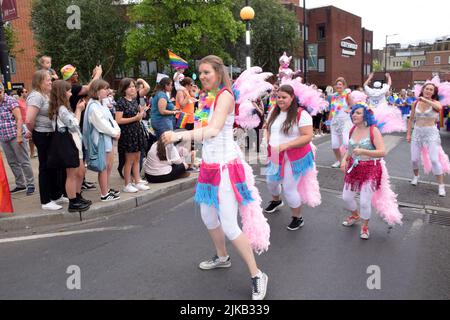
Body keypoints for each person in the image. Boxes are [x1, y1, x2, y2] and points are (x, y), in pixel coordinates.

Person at [162, 55, 269, 300]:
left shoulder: (226, 96)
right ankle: (222, 257)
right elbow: (206, 128)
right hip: (209, 166)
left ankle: (257, 274)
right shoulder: (207, 97)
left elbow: (212, 130)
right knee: (208, 216)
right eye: (200, 73)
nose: (202, 77)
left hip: (225, 167)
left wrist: (179, 135)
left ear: (219, 73)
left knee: (230, 225)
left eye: (207, 72)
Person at [341, 102, 402, 239]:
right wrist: (344, 160)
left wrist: (363, 151)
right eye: (353, 112)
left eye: (358, 113)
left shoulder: (373, 130)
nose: (354, 115)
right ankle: (355, 215)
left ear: (366, 116)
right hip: (354, 168)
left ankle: (365, 226)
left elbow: (382, 152)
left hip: (370, 168)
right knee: (346, 197)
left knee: (364, 201)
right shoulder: (353, 129)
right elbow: (349, 149)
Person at [264, 84, 321, 230]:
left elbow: (308, 136)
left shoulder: (301, 114)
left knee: (289, 188)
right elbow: (268, 128)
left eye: (284, 97)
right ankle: (276, 201)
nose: (280, 100)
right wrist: (268, 142)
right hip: (275, 154)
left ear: (292, 98)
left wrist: (286, 145)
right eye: (278, 97)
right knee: (270, 182)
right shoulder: (273, 112)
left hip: (294, 156)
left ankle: (297, 217)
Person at [26, 70, 67, 210]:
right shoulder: (36, 96)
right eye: (48, 80)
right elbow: (29, 119)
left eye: (50, 79)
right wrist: (31, 132)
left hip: (50, 134)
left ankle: (56, 195)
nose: (51, 82)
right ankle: (46, 201)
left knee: (54, 166)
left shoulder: (46, 94)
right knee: (45, 167)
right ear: (39, 82)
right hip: (42, 135)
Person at [48, 80, 91, 212]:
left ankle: (77, 196)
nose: (71, 93)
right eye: (68, 90)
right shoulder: (61, 109)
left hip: (73, 142)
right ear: (62, 93)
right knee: (72, 174)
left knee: (80, 171)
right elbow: (73, 125)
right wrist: (78, 110)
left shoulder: (62, 108)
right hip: (70, 143)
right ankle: (73, 201)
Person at [61, 64, 104, 191]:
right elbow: (90, 88)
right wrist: (97, 74)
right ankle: (76, 186)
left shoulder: (73, 87)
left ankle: (81, 181)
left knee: (82, 157)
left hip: (78, 123)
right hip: (75, 125)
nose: (77, 75)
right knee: (79, 157)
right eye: (74, 73)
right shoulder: (72, 88)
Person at [407, 83, 449, 196]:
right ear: (423, 90)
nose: (429, 91)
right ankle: (416, 176)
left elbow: (439, 108)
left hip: (431, 133)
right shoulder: (415, 103)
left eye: (431, 90)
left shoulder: (435, 103)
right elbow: (411, 119)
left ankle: (441, 185)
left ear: (433, 92)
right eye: (427, 89)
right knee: (414, 159)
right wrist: (408, 134)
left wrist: (426, 100)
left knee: (434, 160)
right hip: (417, 132)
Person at [84, 80, 121, 201]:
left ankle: (106, 189)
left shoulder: (101, 103)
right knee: (104, 167)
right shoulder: (93, 106)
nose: (108, 91)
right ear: (97, 90)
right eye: (104, 88)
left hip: (106, 138)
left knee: (108, 166)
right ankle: (104, 193)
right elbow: (101, 124)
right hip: (100, 140)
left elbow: (111, 119)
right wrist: (115, 132)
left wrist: (116, 130)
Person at [116, 78, 151, 193]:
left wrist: (142, 113)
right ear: (124, 89)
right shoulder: (121, 102)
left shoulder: (134, 100)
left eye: (133, 86)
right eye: (130, 86)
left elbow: (138, 116)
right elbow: (118, 120)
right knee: (129, 160)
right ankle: (127, 184)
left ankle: (137, 181)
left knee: (137, 158)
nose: (133, 88)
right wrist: (135, 118)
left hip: (136, 131)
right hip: (128, 134)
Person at [0, 83, 35, 195]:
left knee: (23, 161)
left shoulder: (10, 101)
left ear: (3, 91)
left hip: (15, 135)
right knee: (12, 162)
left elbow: (19, 118)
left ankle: (30, 184)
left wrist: (19, 134)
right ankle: (20, 184)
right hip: (4, 137)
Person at [327, 77, 352, 168]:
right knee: (334, 145)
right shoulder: (334, 96)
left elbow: (352, 105)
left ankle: (348, 160)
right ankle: (339, 160)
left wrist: (348, 109)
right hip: (335, 122)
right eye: (337, 85)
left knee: (346, 143)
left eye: (340, 85)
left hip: (345, 121)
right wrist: (328, 122)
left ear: (344, 86)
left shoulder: (347, 95)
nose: (338, 86)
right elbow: (332, 110)